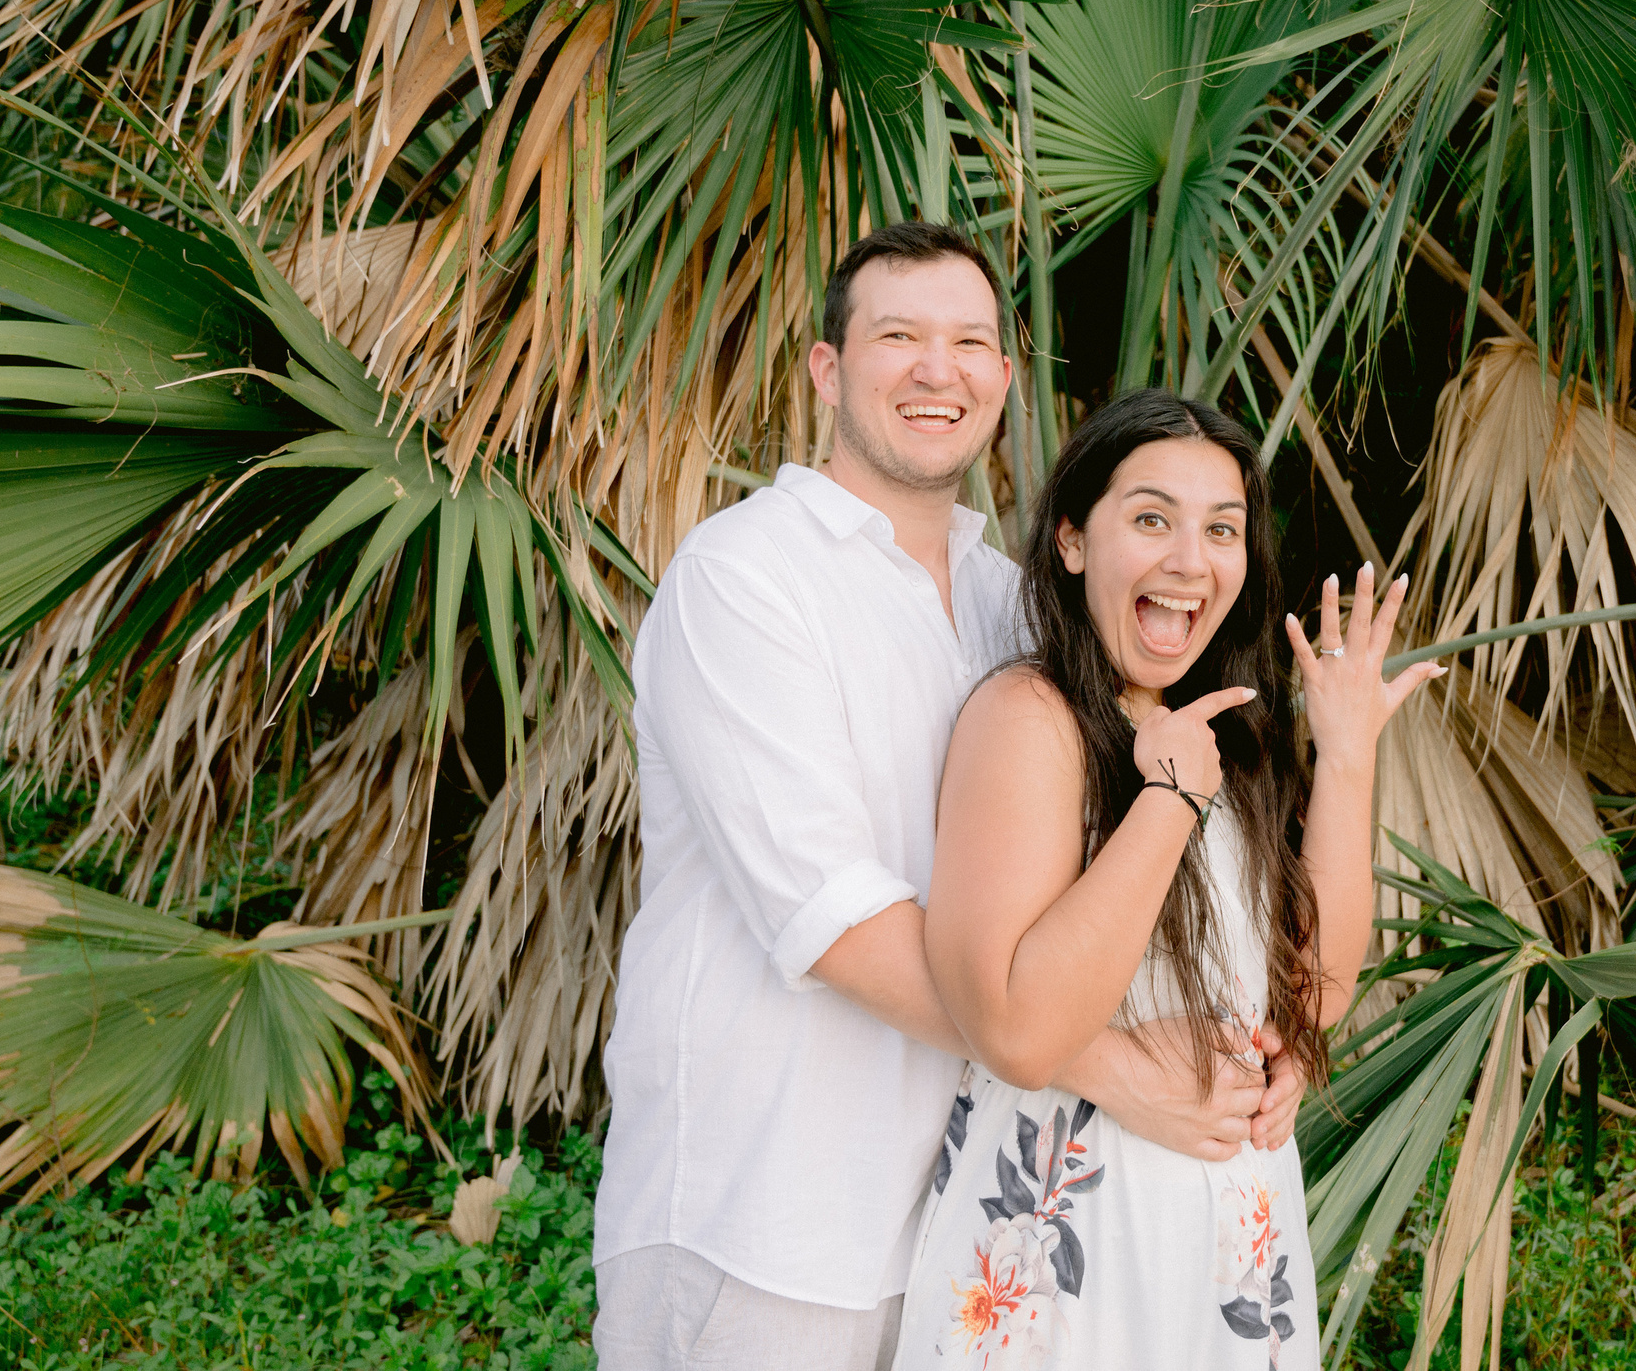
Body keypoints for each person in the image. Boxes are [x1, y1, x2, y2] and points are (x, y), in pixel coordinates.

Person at [591, 225, 1303, 1371]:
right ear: (828, 370)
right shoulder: (743, 578)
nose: (939, 368)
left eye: (970, 340)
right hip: (769, 1219)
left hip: (966, 1220)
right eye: (898, 337)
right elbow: (839, 919)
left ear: (1004, 382)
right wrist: (1117, 1069)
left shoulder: (1011, 605)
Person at [894, 389, 1441, 1369]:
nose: (1192, 558)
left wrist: (1349, 753)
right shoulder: (1033, 717)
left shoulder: (1232, 740)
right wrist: (1169, 800)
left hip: (1227, 1247)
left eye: (1221, 528)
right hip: (1073, 1245)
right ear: (1071, 540)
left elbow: (1314, 994)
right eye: (1152, 517)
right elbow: (1014, 1024)